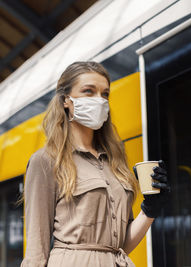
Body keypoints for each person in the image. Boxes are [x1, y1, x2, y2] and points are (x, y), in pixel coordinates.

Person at [20, 61, 170, 267]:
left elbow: (120, 247)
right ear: (66, 100)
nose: (99, 100)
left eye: (105, 94)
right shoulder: (45, 161)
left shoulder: (115, 160)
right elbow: (36, 252)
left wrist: (150, 210)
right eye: (88, 91)